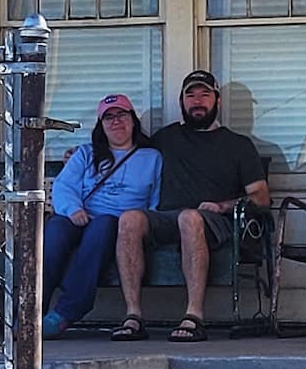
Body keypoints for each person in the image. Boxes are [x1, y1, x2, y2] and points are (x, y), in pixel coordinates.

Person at [111, 70, 268, 343]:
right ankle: (133, 315)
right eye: (190, 95)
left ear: (217, 102)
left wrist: (223, 206)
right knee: (130, 219)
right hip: (167, 217)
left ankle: (194, 316)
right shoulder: (165, 138)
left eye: (204, 95)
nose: (197, 101)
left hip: (214, 221)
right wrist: (85, 152)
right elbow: (123, 149)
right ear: (181, 102)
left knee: (190, 218)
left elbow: (261, 198)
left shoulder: (238, 145)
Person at [41, 94, 160, 338]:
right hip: (80, 217)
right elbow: (64, 187)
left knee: (104, 224)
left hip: (119, 225)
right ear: (101, 125)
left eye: (122, 115)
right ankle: (30, 311)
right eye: (109, 117)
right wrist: (74, 209)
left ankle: (67, 311)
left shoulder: (152, 158)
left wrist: (147, 223)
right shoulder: (86, 153)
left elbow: (156, 199)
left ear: (133, 121)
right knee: (55, 230)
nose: (116, 122)